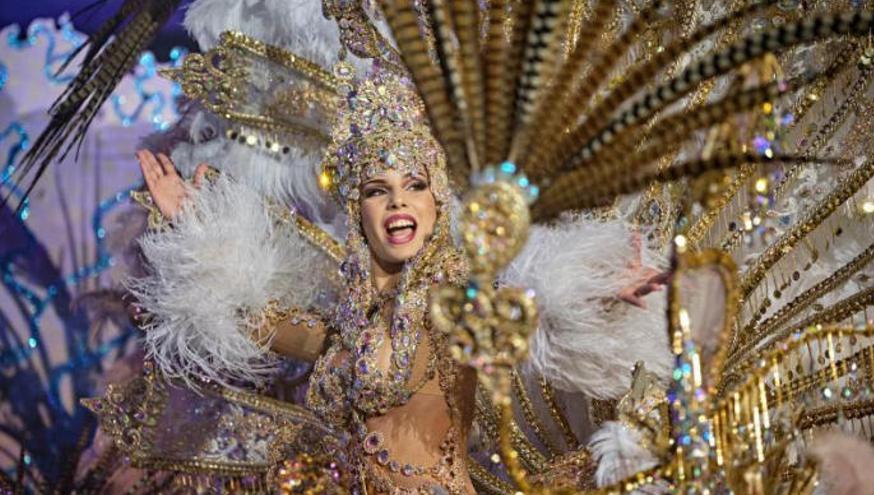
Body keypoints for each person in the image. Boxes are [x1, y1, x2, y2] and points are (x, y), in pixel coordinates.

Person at [128, 63, 670, 492]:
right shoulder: (344, 327)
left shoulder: (455, 304)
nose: (396, 202)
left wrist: (592, 289)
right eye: (376, 189)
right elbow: (254, 322)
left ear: (436, 205)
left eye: (413, 185)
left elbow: (528, 309)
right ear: (358, 211)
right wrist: (202, 238)